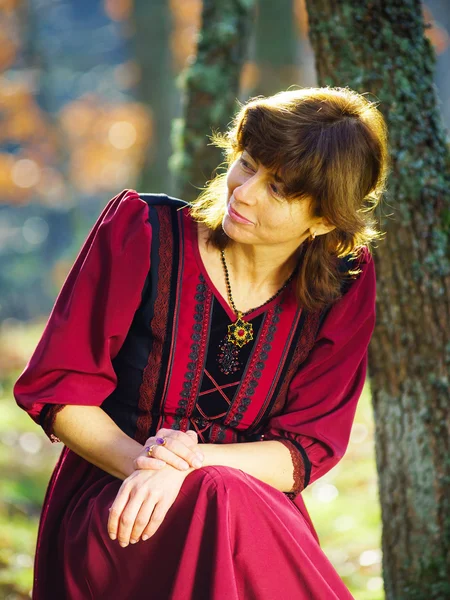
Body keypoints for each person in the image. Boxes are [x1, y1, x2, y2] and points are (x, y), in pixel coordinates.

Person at [14, 86, 388, 600]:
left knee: (220, 491)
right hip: (117, 504)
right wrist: (153, 470)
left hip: (252, 521)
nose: (245, 191)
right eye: (248, 163)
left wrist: (191, 465)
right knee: (215, 491)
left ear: (323, 220)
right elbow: (60, 391)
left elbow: (305, 450)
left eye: (278, 188)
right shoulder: (140, 232)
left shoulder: (345, 285)